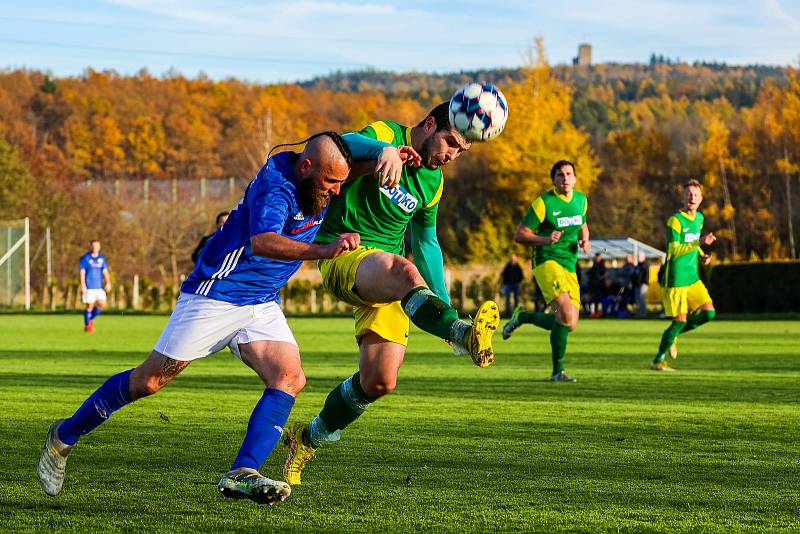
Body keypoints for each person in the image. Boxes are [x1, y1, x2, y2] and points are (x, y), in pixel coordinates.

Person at [38, 131, 411, 505]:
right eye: (330, 182)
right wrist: (324, 249)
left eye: (339, 183)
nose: (334, 191)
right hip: (216, 294)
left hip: (260, 302)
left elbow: (347, 153)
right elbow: (262, 241)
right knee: (148, 382)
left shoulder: (317, 176)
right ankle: (62, 437)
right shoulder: (276, 186)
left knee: (290, 376)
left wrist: (389, 155)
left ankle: (242, 471)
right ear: (306, 166)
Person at [281, 103, 500, 487]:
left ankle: (307, 438)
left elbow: (427, 242)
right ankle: (462, 335)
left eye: (460, 151)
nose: (451, 155)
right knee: (403, 269)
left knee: (380, 380)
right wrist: (380, 151)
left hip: (391, 279)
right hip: (344, 254)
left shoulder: (433, 182)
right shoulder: (386, 134)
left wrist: (442, 305)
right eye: (449, 142)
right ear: (430, 124)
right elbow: (338, 144)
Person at [501, 160, 590, 382]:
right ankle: (557, 372)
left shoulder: (581, 200)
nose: (565, 178)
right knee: (567, 315)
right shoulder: (543, 203)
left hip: (569, 264)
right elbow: (520, 235)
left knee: (569, 323)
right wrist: (545, 239)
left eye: (569, 174)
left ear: (575, 178)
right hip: (546, 261)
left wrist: (585, 240)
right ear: (553, 180)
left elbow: (583, 223)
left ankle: (523, 317)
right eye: (560, 175)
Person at [651, 179, 716, 371]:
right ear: (683, 197)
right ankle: (658, 360)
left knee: (708, 313)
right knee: (679, 320)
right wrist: (699, 243)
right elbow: (674, 249)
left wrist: (702, 256)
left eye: (696, 195)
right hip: (676, 278)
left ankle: (675, 336)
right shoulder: (675, 221)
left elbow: (693, 246)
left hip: (692, 277)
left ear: (701, 199)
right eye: (688, 194)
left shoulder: (700, 219)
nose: (692, 198)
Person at [79, 240, 111, 333]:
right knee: (89, 306)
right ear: (90, 246)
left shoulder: (101, 258)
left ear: (99, 247)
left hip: (99, 287)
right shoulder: (85, 258)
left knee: (102, 304)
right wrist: (83, 285)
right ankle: (88, 326)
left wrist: (108, 282)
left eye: (97, 246)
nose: (95, 247)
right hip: (89, 287)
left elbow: (105, 271)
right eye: (93, 246)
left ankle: (89, 318)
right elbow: (82, 273)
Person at [587, 252, 606, 317]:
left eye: (598, 257)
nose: (596, 258)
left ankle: (599, 313)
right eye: (596, 257)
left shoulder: (602, 265)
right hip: (593, 286)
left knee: (598, 300)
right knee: (592, 300)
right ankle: (593, 313)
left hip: (600, 286)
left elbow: (604, 274)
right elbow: (591, 274)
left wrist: (600, 278)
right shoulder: (594, 265)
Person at [634, 252, 650, 317]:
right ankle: (639, 312)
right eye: (638, 256)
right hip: (637, 285)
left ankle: (643, 312)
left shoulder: (645, 265)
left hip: (643, 284)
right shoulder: (638, 265)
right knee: (638, 298)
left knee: (641, 297)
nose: (638, 258)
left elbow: (645, 276)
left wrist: (643, 283)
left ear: (643, 257)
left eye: (639, 256)